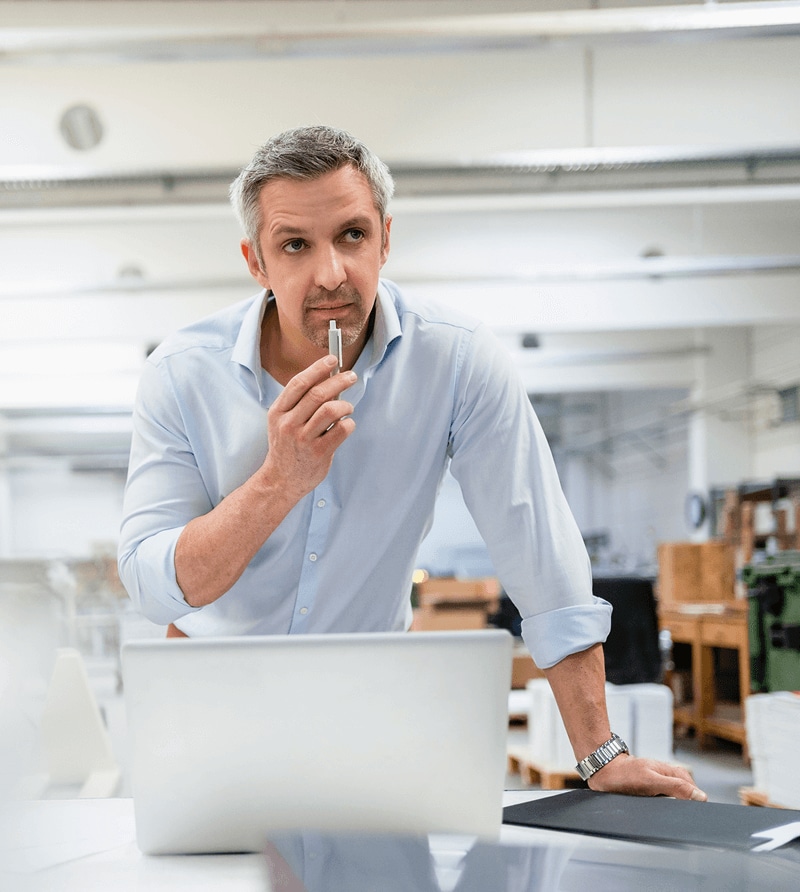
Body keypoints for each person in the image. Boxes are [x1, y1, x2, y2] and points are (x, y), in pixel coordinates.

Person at [118, 125, 706, 802]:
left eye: (352, 235)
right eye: (295, 245)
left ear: (385, 239)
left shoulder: (455, 359)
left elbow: (540, 551)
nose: (331, 273)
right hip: (210, 709)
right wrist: (279, 481)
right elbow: (153, 585)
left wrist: (600, 753)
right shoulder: (183, 374)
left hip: (371, 709)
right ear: (257, 262)